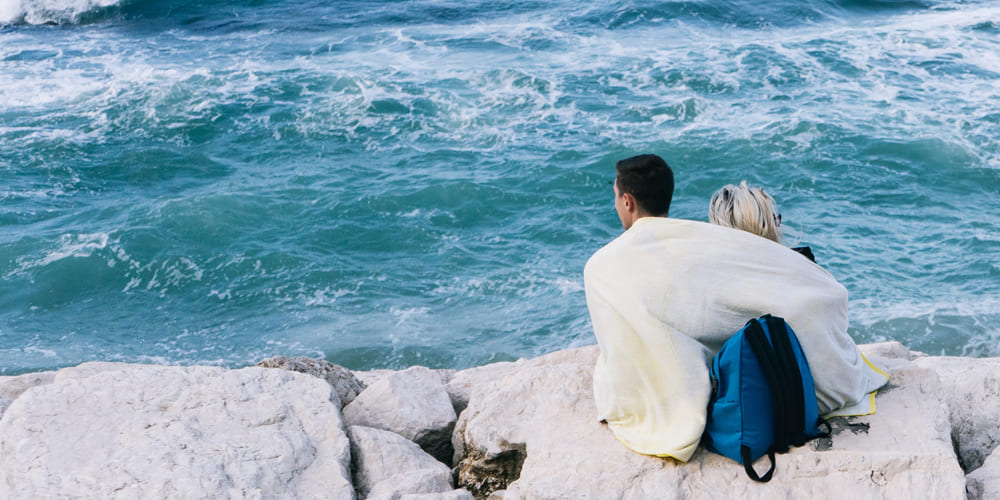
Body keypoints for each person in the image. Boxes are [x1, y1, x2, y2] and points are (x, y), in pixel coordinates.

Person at [584, 154, 887, 462]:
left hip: (769, 395)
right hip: (821, 384)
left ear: (627, 201)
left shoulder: (609, 266)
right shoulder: (743, 257)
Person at [708, 181, 815, 262]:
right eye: (774, 219)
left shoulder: (711, 273)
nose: (778, 226)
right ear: (762, 227)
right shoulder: (800, 267)